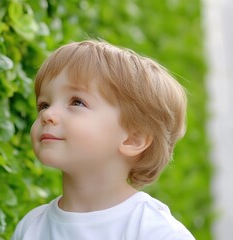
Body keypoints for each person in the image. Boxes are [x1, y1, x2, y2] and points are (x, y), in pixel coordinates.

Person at [12, 40, 195, 240]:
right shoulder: (31, 226)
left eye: (77, 102)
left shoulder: (155, 231)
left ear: (133, 139)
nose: (48, 115)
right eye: (44, 104)